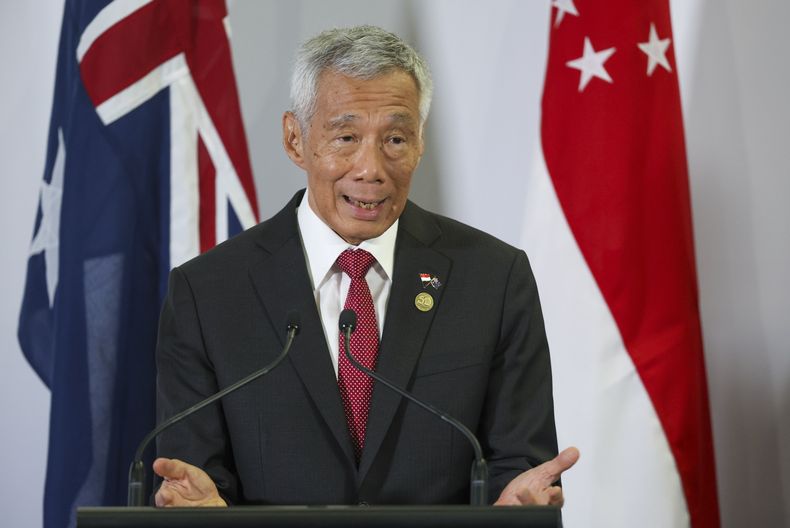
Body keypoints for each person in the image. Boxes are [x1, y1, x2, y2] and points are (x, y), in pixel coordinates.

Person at [153, 25, 578, 508]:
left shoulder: (494, 279)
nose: (371, 168)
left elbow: (518, 467)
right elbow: (196, 480)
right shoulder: (209, 291)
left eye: (395, 138)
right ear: (295, 140)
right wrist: (200, 513)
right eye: (346, 137)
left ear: (419, 144)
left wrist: (514, 510)